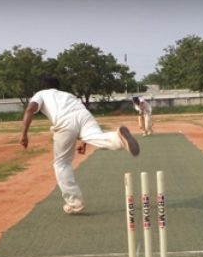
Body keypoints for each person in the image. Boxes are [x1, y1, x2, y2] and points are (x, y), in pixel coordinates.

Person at [20, 77, 140, 214]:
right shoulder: (67, 95)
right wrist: (83, 141)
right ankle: (118, 138)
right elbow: (77, 117)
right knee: (97, 137)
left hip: (64, 121)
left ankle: (74, 203)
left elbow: (30, 109)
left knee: (61, 163)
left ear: (42, 87)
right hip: (84, 116)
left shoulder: (41, 94)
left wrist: (24, 134)